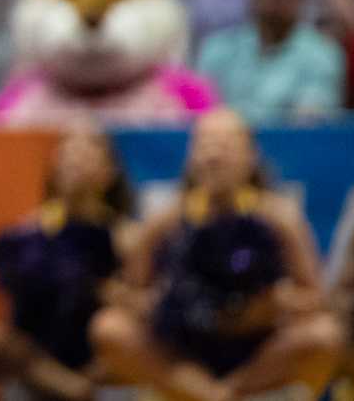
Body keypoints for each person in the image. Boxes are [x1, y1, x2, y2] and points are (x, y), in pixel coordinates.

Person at [90, 109, 344, 400]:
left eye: (226, 145)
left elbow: (315, 299)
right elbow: (130, 295)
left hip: (256, 350)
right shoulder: (165, 221)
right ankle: (209, 394)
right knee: (109, 327)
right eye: (205, 144)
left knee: (324, 335)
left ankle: (233, 390)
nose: (214, 155)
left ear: (251, 155)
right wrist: (162, 302)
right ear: (191, 157)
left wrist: (276, 303)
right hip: (184, 352)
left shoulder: (279, 218)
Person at [0, 125, 133, 401]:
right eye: (69, 153)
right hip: (40, 369)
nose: (76, 161)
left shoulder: (124, 236)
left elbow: (138, 312)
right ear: (54, 166)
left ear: (109, 172)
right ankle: (70, 386)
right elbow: (15, 316)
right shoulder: (25, 235)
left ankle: (79, 386)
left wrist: (110, 292)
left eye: (88, 153)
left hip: (100, 369)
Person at [194, 0, 346, 124]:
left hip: (291, 149)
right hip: (227, 148)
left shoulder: (323, 54)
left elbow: (312, 117)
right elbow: (200, 113)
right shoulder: (218, 48)